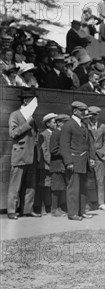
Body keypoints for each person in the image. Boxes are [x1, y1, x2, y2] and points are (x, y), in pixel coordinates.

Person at [7, 88, 39, 220]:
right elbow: (13, 133)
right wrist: (28, 124)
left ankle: (27, 210)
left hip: (31, 155)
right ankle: (12, 211)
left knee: (30, 185)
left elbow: (35, 134)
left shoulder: (31, 116)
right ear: (25, 101)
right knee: (15, 185)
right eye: (32, 101)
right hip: (20, 155)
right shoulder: (15, 115)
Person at [60, 101, 95, 221]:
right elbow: (64, 145)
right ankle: (72, 213)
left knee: (83, 188)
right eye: (82, 110)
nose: (84, 112)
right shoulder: (68, 125)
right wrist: (68, 162)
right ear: (75, 111)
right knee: (73, 188)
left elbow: (88, 144)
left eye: (85, 110)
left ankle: (81, 211)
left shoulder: (83, 125)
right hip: (74, 162)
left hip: (84, 161)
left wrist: (91, 158)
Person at [87, 106, 105, 211]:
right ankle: (86, 203)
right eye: (92, 115)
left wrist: (103, 151)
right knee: (86, 180)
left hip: (99, 157)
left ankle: (101, 203)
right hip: (87, 156)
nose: (94, 117)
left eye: (96, 115)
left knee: (100, 180)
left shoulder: (103, 126)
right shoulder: (85, 125)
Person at [37, 113, 58, 215]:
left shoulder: (56, 133)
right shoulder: (43, 135)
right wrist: (51, 162)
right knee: (44, 186)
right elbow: (44, 151)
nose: (56, 124)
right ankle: (42, 207)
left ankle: (50, 207)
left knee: (51, 186)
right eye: (54, 122)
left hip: (53, 165)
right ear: (48, 124)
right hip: (46, 166)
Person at [49, 114, 70, 216]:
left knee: (61, 187)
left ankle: (60, 208)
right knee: (56, 188)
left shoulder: (62, 133)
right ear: (58, 123)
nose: (66, 125)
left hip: (62, 166)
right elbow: (53, 150)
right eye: (64, 122)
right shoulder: (55, 134)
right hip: (57, 166)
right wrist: (65, 152)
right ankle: (54, 210)